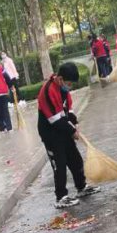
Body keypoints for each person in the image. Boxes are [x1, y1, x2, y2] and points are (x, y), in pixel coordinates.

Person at [37, 62, 99, 209]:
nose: (69, 86)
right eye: (69, 83)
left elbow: (68, 111)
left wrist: (74, 122)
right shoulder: (48, 91)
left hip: (62, 127)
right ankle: (61, 197)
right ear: (60, 79)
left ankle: (81, 187)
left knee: (75, 159)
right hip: (50, 132)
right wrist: (72, 131)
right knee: (60, 164)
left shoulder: (63, 90)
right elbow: (54, 119)